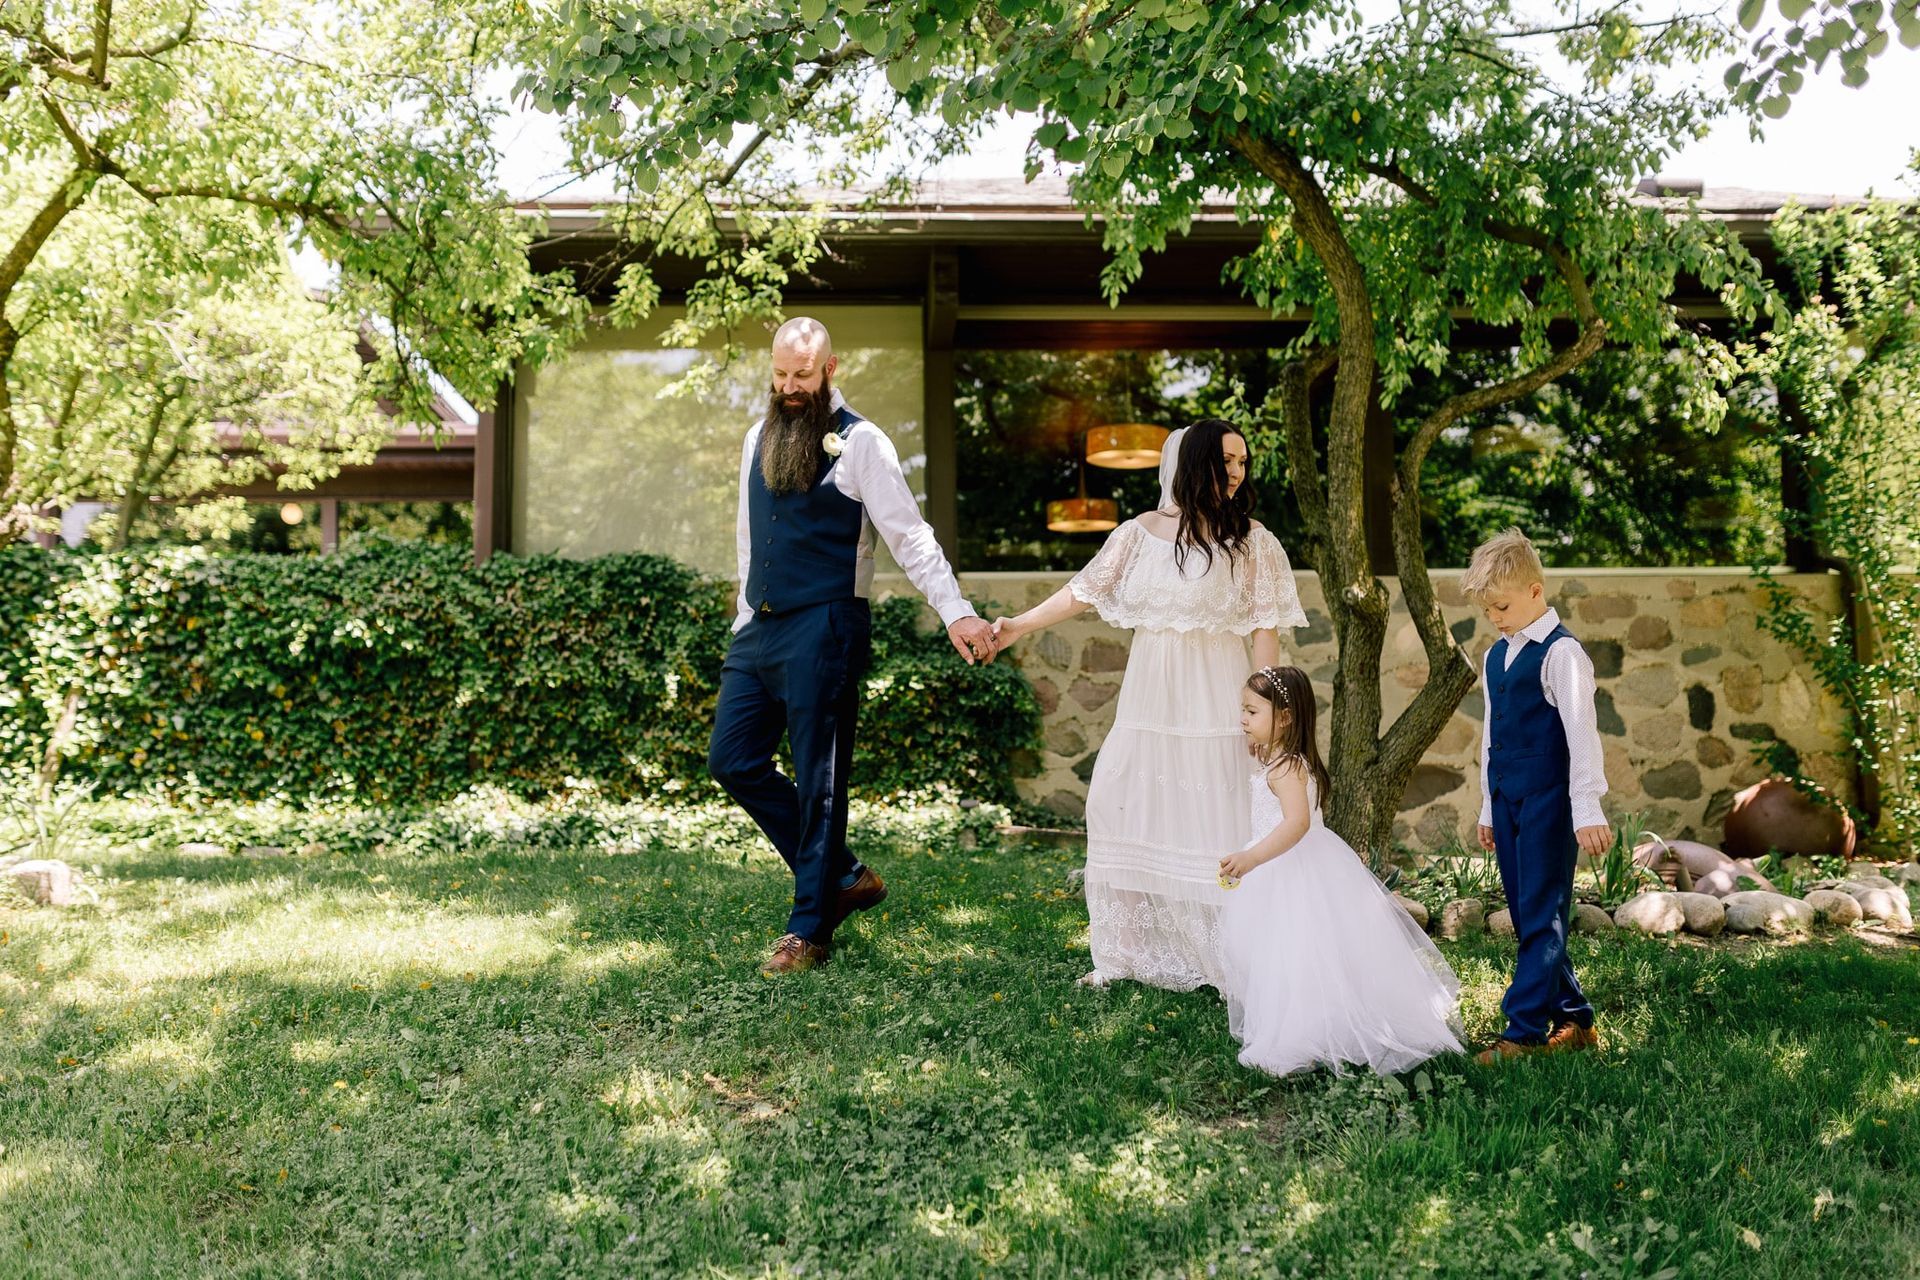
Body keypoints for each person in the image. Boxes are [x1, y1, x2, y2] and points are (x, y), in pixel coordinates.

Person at [707, 317, 998, 977]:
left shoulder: (864, 443)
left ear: (829, 370)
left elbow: (911, 536)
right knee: (732, 759)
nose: (788, 387)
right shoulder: (756, 436)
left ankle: (808, 930)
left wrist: (955, 610)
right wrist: (745, 617)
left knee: (820, 782)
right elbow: (751, 536)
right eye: (780, 375)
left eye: (801, 376)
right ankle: (842, 874)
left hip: (827, 625)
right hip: (761, 627)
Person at [992, 420, 1306, 991]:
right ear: (1194, 464)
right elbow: (1082, 591)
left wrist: (1267, 708)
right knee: (1121, 800)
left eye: (1243, 462)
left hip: (1218, 696)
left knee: (1216, 814)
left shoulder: (1254, 541)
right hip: (1149, 700)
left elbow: (1265, 631)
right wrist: (1018, 625)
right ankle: (1124, 955)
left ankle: (1226, 952)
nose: (1237, 472)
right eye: (1226, 460)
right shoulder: (1137, 534)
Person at [1216, 665, 1463, 1076]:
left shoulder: (1288, 769)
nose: (1243, 718)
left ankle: (1305, 1034)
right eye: (1243, 709)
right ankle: (1292, 1023)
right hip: (1286, 867)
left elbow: (1296, 824)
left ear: (1285, 718)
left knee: (1297, 953)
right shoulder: (1281, 762)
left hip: (1292, 870)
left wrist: (1252, 858)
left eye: (1252, 711)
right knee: (1277, 955)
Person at [1460, 528, 1612, 1062]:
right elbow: (1490, 736)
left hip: (1551, 800)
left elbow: (1581, 734)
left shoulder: (1562, 654)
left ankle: (1522, 1032)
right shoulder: (1495, 657)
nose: (1496, 618)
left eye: (1502, 606)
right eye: (1488, 611)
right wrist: (1486, 804)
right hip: (1507, 798)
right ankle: (1575, 1019)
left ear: (1534, 591)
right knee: (1530, 915)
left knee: (1543, 911)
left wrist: (1587, 808)